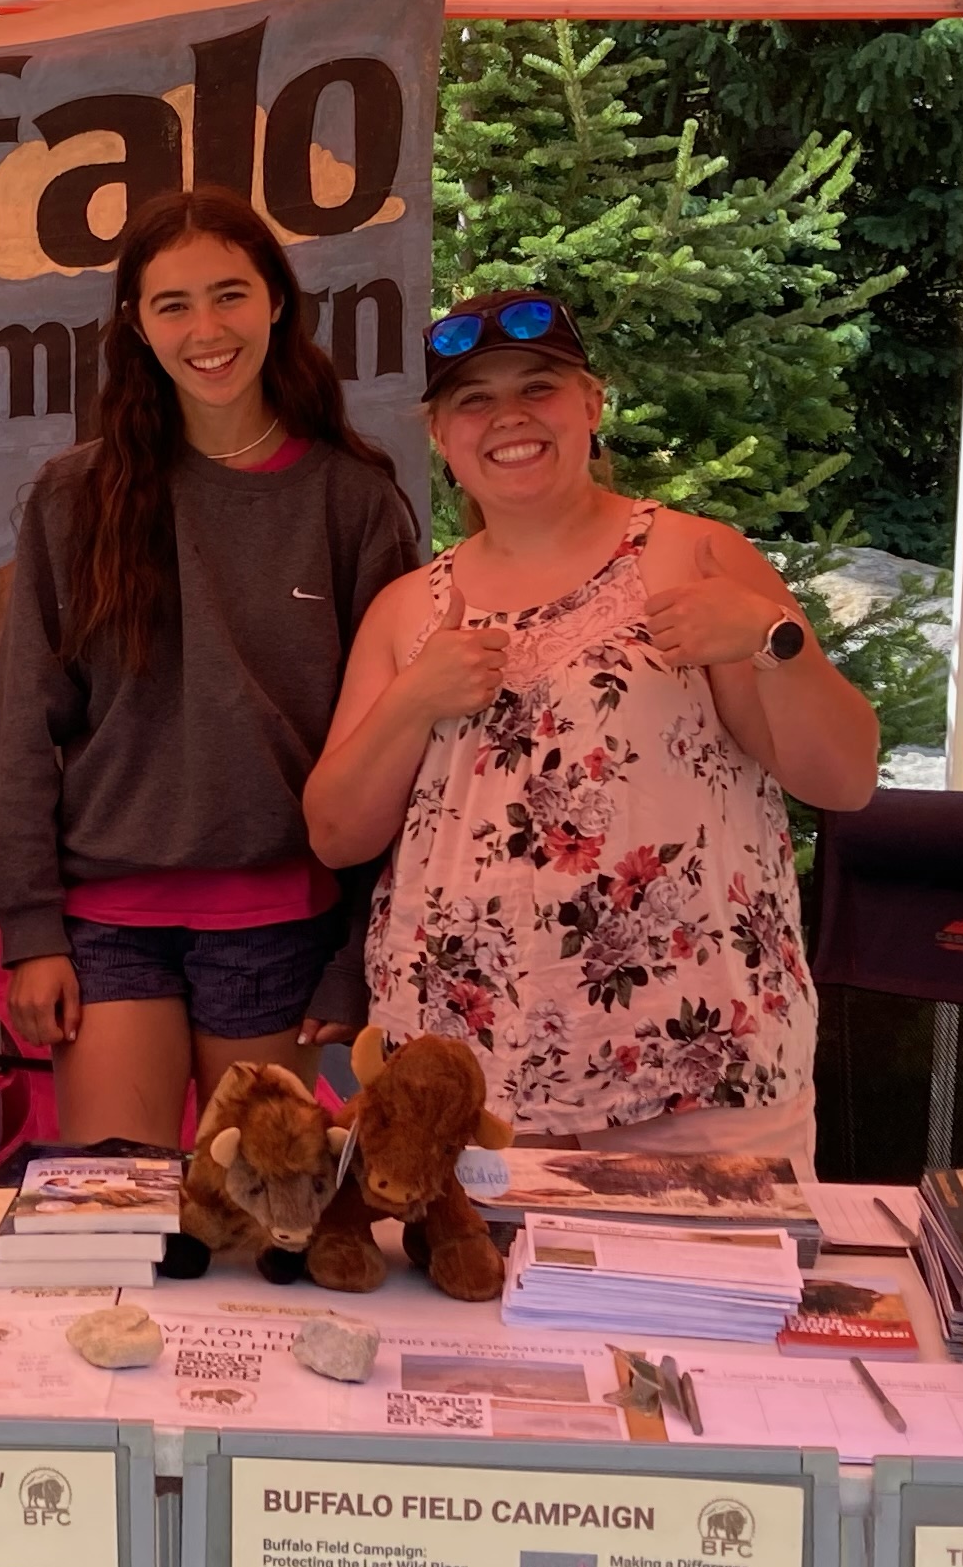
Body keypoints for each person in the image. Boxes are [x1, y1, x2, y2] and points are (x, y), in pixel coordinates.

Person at [303, 291, 879, 1178]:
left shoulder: (693, 557)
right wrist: (415, 697)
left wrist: (774, 639)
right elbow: (336, 832)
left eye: (539, 388)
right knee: (471, 1309)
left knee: (704, 1317)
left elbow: (843, 779)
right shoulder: (407, 610)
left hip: (698, 1071)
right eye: (474, 401)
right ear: (441, 437)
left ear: (590, 405)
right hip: (464, 1085)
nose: (511, 419)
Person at [0, 186, 419, 1142]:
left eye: (230, 294)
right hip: (107, 927)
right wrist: (31, 932)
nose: (205, 328)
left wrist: (356, 954)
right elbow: (24, 727)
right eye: (172, 304)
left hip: (282, 922)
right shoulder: (75, 498)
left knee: (261, 1232)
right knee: (116, 1218)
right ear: (136, 325)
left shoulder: (354, 505)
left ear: (276, 302)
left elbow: (399, 753)